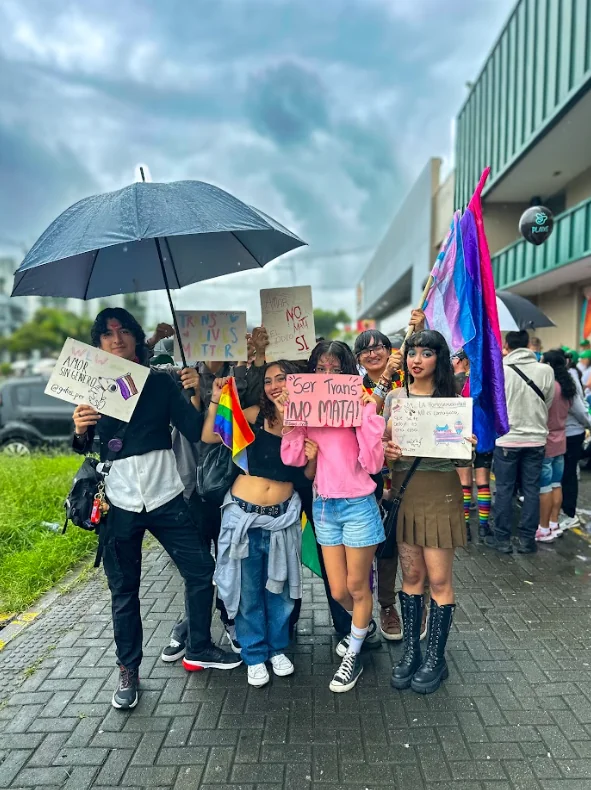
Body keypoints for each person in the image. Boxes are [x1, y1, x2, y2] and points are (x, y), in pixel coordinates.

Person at [72, 308, 241, 711]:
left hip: (166, 497)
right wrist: (80, 428)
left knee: (202, 571)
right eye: (108, 334)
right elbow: (83, 447)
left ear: (137, 337)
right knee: (124, 591)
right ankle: (128, 669)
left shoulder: (162, 384)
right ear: (98, 344)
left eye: (124, 331)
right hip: (118, 502)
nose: (117, 339)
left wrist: (212, 397)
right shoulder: (93, 389)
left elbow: (202, 434)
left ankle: (199, 645)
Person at [280, 341, 386, 693]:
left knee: (357, 587)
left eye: (335, 369)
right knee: (339, 588)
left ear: (347, 373)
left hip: (358, 504)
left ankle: (352, 655)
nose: (327, 376)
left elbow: (374, 464)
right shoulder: (307, 411)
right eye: (321, 369)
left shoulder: (360, 408)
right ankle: (362, 624)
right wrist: (292, 424)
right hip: (324, 506)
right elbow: (293, 459)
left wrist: (367, 418)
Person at [159, 327, 270, 662]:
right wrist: (192, 392)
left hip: (228, 480)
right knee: (197, 560)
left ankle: (229, 616)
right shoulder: (184, 375)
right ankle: (191, 624)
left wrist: (256, 359)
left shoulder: (238, 377)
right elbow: (191, 427)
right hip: (191, 480)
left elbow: (255, 411)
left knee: (229, 555)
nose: (217, 348)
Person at [201, 361, 314, 687]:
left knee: (278, 592)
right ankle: (253, 653)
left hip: (282, 520)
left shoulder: (307, 422)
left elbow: (307, 475)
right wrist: (215, 398)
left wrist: (313, 452)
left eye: (282, 378)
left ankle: (277, 648)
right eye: (268, 380)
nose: (275, 385)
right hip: (243, 519)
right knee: (249, 592)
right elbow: (211, 434)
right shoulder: (255, 415)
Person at [383, 330, 475, 695]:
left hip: (441, 494)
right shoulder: (395, 398)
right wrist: (385, 451)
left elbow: (459, 459)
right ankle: (411, 653)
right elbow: (380, 453)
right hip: (405, 492)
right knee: (411, 576)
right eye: (411, 353)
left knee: (439, 580)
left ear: (439, 358)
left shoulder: (451, 400)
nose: (416, 360)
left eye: (425, 353)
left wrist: (469, 447)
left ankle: (435, 658)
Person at [354, 311, 427, 642]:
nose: (373, 353)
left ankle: (417, 603)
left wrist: (419, 331)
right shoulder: (354, 390)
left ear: (389, 349)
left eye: (378, 346)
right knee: (383, 549)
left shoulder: (405, 381)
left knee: (413, 545)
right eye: (365, 349)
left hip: (409, 478)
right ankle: (386, 605)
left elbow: (424, 364)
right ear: (358, 359)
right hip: (371, 481)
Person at [487, 329, 555, 555]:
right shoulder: (545, 370)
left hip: (507, 439)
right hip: (536, 439)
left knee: (504, 490)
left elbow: (493, 404)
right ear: (527, 345)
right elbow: (548, 401)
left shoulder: (501, 370)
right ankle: (527, 540)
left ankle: (503, 539)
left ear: (508, 345)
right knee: (532, 490)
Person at [536, 350, 577, 543]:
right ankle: (554, 523)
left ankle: (543, 528)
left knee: (544, 488)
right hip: (562, 439)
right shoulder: (568, 386)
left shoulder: (549, 387)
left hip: (546, 440)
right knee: (556, 484)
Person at [452, 349, 492, 542]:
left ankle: (466, 527)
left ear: (461, 360)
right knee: (483, 483)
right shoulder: (482, 380)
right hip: (483, 434)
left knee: (465, 484)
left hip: (463, 435)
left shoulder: (453, 382)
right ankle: (484, 527)